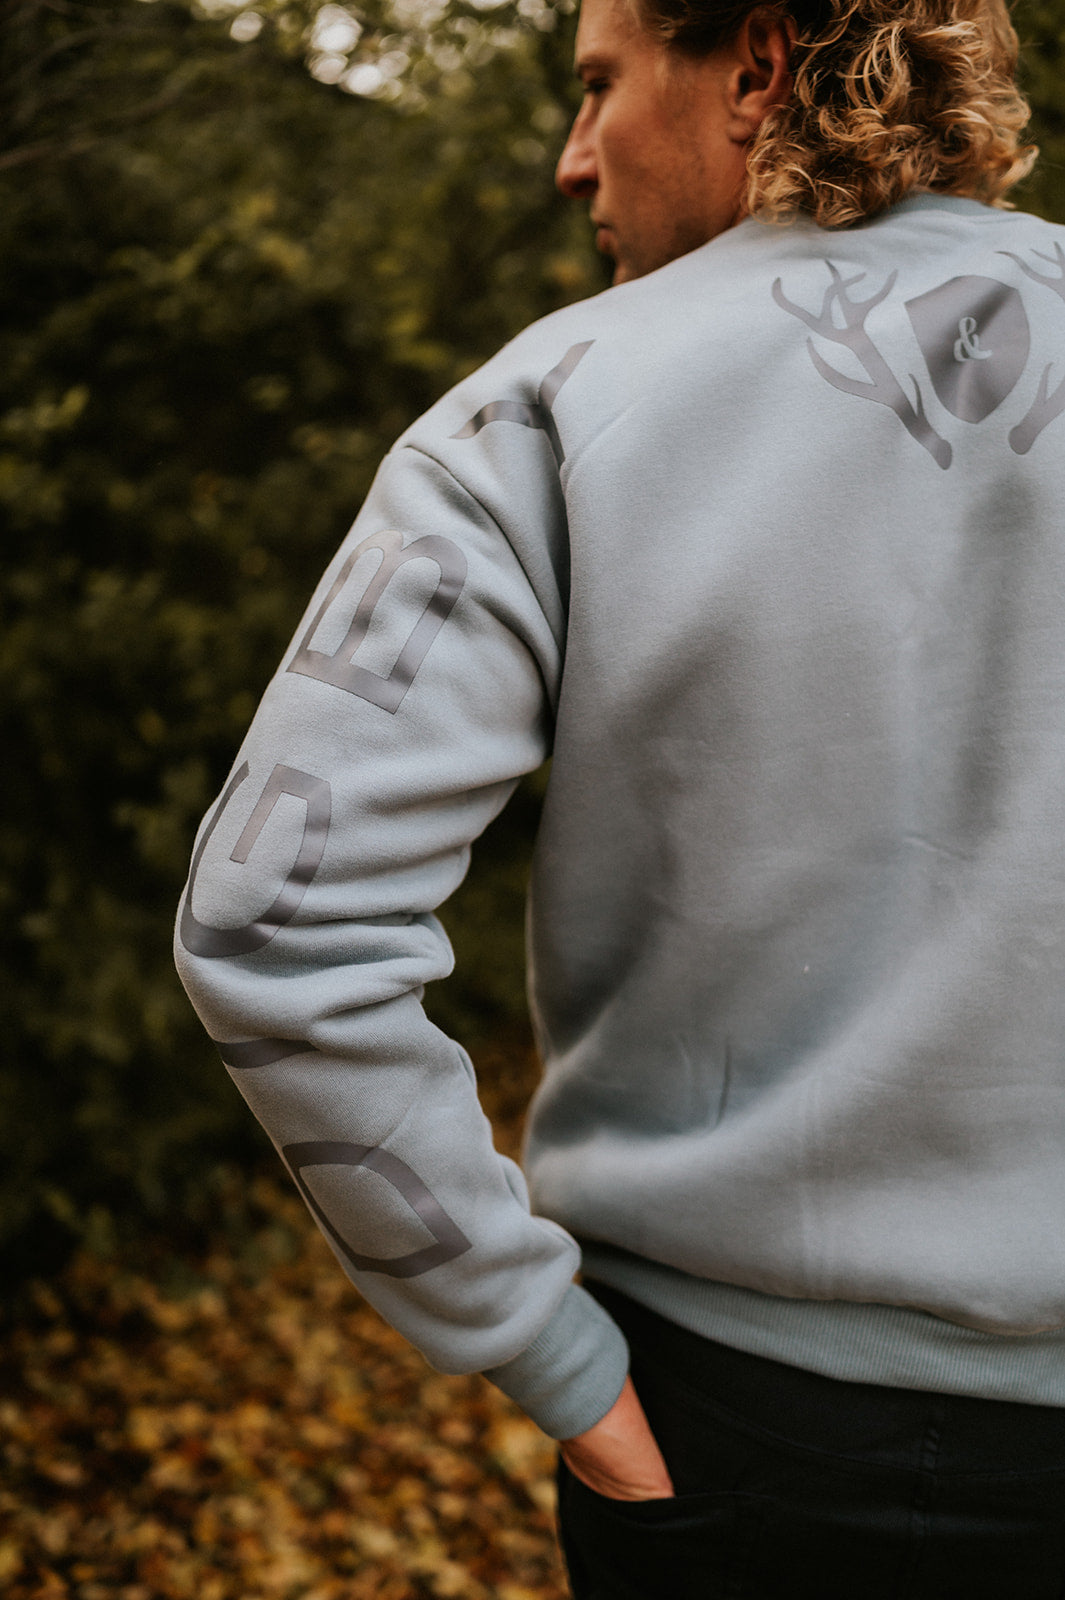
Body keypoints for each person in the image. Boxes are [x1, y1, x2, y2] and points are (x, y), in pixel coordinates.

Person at [175, 0, 1065, 1592]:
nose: (571, 158)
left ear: (756, 66)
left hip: (732, 1439)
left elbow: (273, 923)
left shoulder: (548, 401)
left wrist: (540, 1350)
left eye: (596, 85)